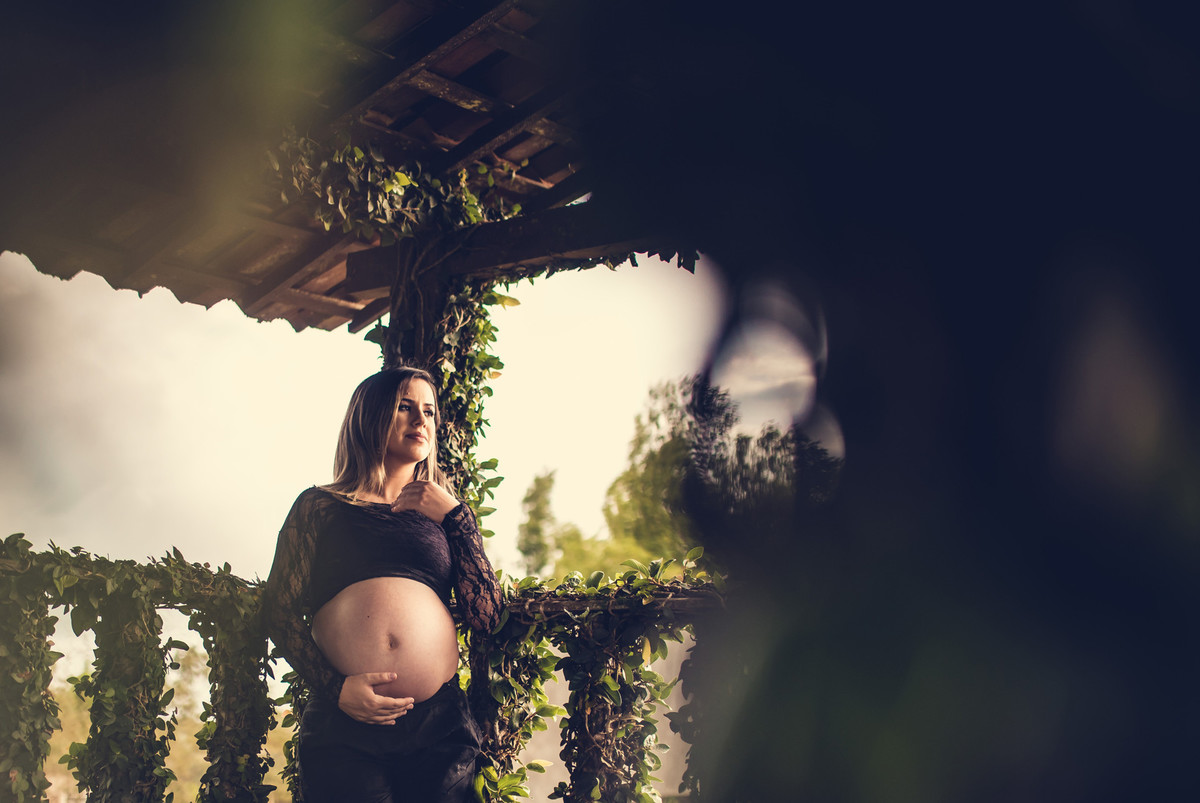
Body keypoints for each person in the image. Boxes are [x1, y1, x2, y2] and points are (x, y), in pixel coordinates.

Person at [262, 366, 502, 802]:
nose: (421, 420)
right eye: (405, 407)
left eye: (429, 411)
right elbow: (279, 610)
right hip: (346, 726)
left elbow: (486, 615)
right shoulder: (319, 506)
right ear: (370, 417)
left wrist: (458, 519)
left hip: (439, 725)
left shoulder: (444, 515)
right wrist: (336, 690)